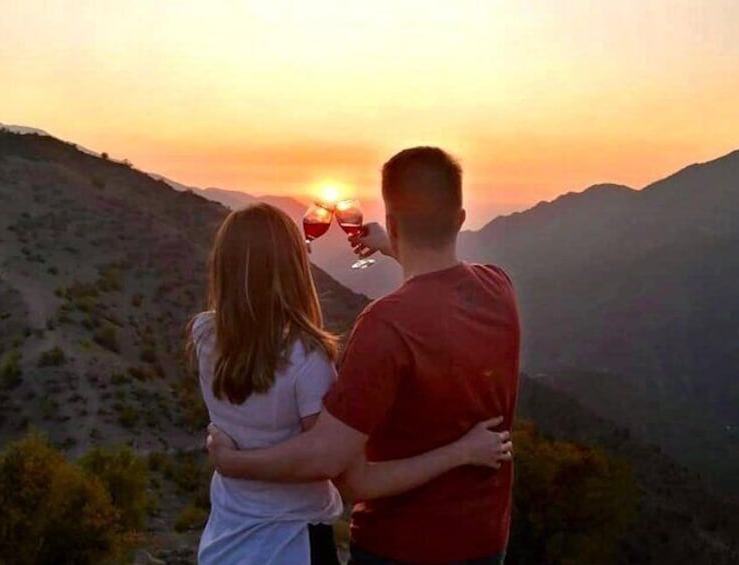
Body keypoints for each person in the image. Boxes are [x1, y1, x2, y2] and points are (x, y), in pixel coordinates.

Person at [208, 148, 520, 564]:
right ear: (461, 218)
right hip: (485, 541)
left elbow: (343, 472)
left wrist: (234, 462)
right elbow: (440, 278)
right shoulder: (499, 287)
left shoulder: (385, 326)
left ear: (392, 221)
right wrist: (394, 246)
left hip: (402, 548)